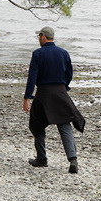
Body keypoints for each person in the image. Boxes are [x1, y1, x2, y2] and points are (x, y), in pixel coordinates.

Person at [23, 26, 85, 174]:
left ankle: (42, 159)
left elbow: (32, 77)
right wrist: (64, 87)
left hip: (43, 93)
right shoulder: (64, 53)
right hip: (60, 92)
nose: (38, 38)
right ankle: (73, 159)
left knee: (37, 124)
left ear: (44, 37)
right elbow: (69, 74)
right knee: (64, 125)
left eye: (39, 36)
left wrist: (27, 97)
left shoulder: (38, 54)